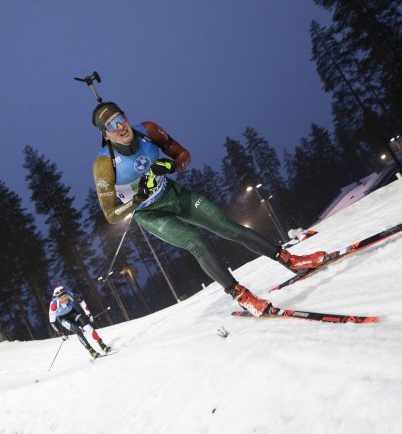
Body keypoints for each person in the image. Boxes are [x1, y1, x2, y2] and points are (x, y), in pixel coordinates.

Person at [90, 101, 328, 317]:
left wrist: (172, 165)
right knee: (195, 240)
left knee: (227, 226)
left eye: (121, 118)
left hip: (171, 194)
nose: (121, 127)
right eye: (112, 125)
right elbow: (111, 215)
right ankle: (241, 295)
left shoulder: (149, 130)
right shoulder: (104, 164)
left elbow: (183, 155)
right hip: (149, 213)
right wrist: (136, 200)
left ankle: (290, 260)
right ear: (106, 135)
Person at [49, 285, 111, 359]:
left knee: (87, 327)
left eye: (65, 296)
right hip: (62, 318)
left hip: (72, 313)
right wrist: (61, 333)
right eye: (61, 298)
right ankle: (91, 350)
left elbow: (82, 302)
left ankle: (102, 344)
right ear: (57, 298)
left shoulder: (71, 295)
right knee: (78, 331)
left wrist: (88, 314)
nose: (64, 299)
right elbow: (52, 322)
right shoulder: (54, 306)